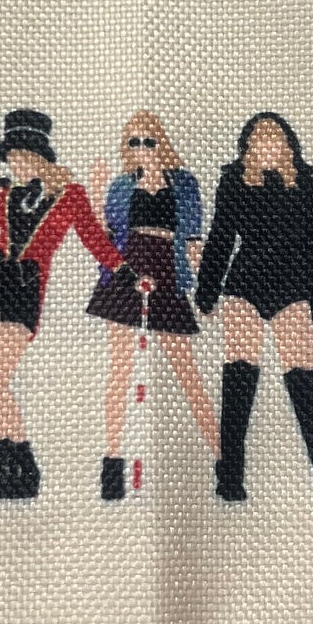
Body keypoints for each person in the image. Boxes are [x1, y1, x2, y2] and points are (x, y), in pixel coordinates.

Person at [0, 109, 126, 500]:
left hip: (25, 288)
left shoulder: (70, 195)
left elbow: (93, 238)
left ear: (38, 156)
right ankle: (10, 468)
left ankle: (26, 465)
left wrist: (125, 270)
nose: (14, 164)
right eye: (10, 157)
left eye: (20, 156)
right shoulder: (5, 195)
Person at [195, 112, 313, 503]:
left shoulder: (303, 184)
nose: (266, 145)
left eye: (274, 139)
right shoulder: (234, 182)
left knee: (304, 380)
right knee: (238, 380)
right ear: (248, 148)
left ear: (287, 147)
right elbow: (220, 237)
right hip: (244, 284)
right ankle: (230, 476)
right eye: (259, 139)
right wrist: (208, 290)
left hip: (292, 285)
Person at [86, 109, 219, 500]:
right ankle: (113, 463)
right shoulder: (121, 186)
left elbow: (193, 239)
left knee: (186, 369)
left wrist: (204, 288)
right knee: (121, 368)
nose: (142, 148)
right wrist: (96, 194)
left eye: (148, 140)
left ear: (162, 142)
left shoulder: (184, 184)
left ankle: (223, 456)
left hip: (167, 268)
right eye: (134, 142)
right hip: (126, 271)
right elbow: (106, 237)